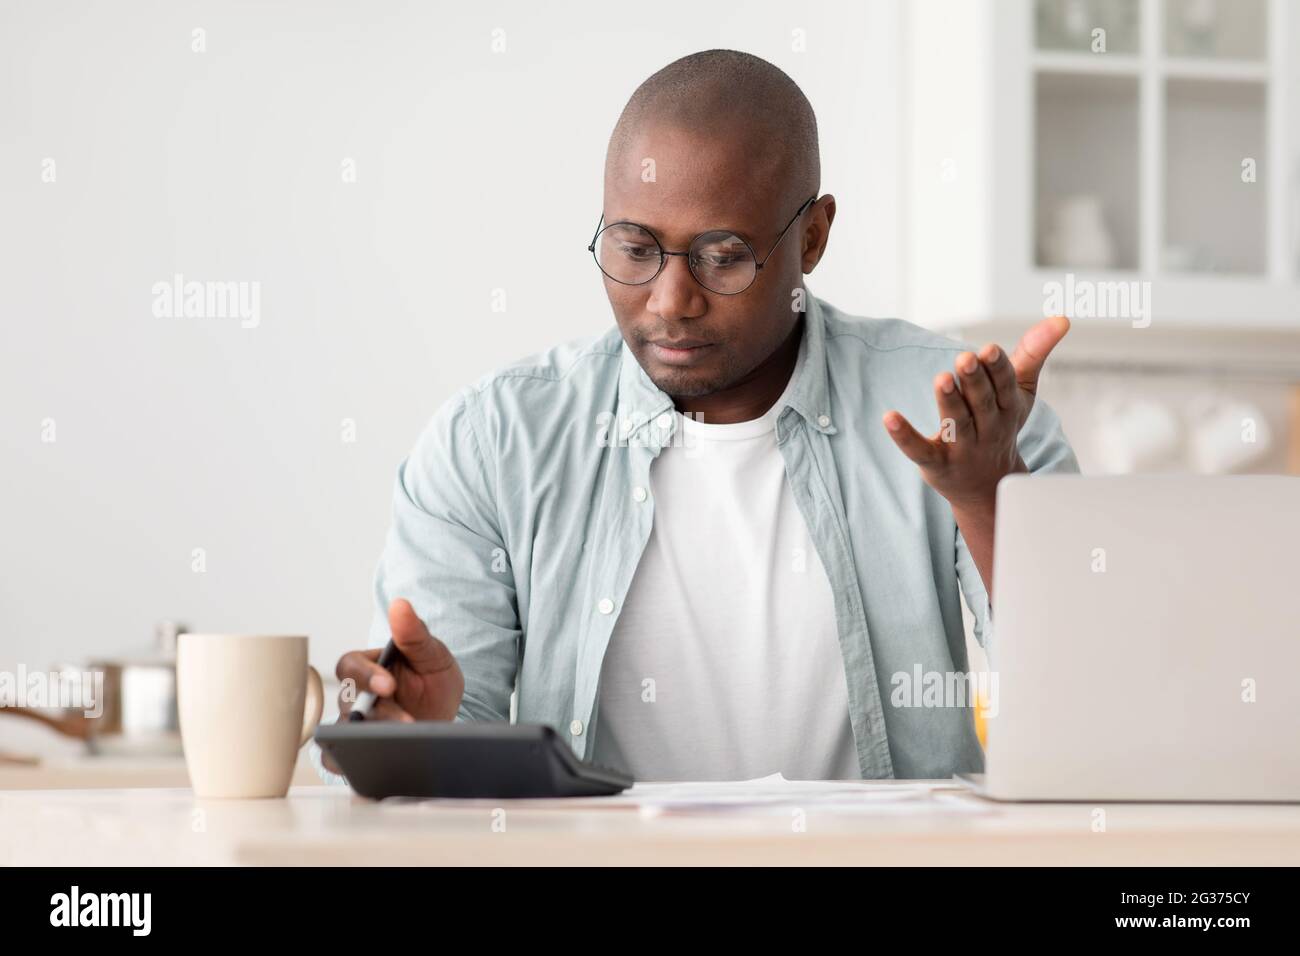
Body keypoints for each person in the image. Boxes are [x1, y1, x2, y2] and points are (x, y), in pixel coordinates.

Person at [319, 49, 1078, 783]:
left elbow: (1091, 710)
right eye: (635, 247)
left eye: (722, 256)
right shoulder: (494, 443)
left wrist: (988, 501)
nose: (670, 300)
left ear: (812, 237)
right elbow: (439, 757)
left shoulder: (969, 416)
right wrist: (409, 737)